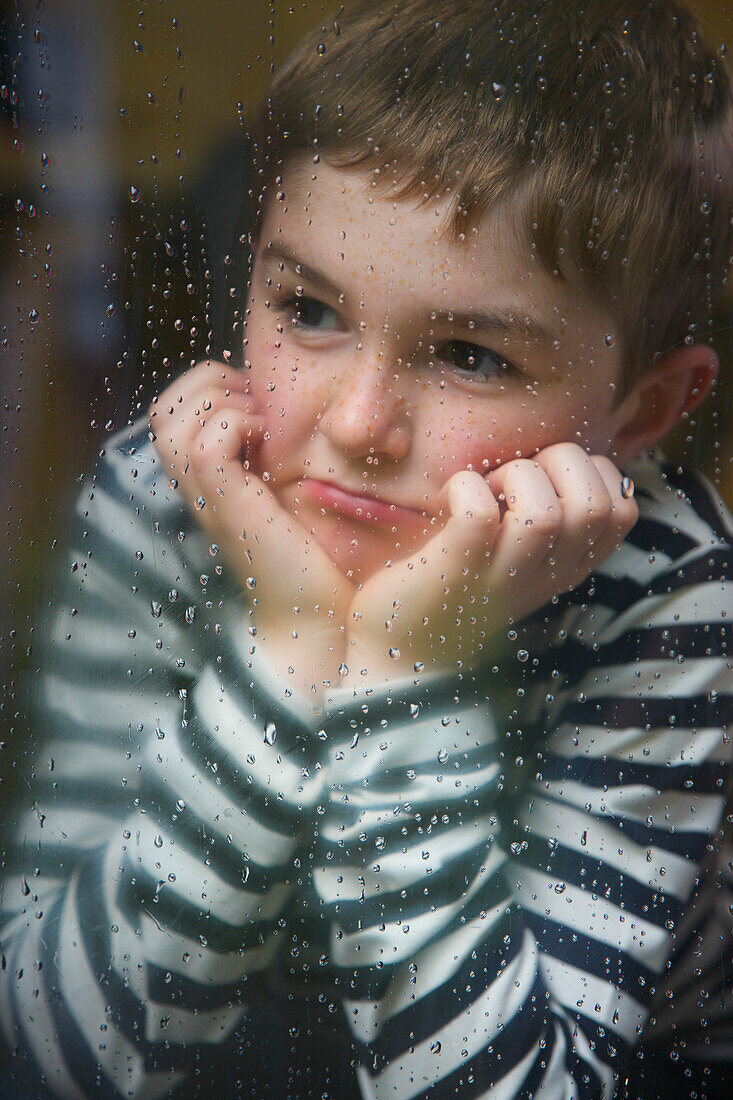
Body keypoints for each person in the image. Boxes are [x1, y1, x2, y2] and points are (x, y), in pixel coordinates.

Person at [2, 0, 732, 1096]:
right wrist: (288, 639)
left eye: (471, 356)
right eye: (307, 307)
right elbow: (53, 1051)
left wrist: (407, 665)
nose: (355, 425)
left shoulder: (667, 584)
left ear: (641, 409)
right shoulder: (174, 494)